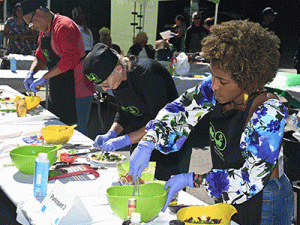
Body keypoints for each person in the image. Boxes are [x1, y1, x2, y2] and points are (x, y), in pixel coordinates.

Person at [129, 20, 294, 225]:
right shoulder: (214, 89)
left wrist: (192, 179)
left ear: (247, 80)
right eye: (212, 76)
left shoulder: (269, 113)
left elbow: (251, 179)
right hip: (226, 189)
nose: (214, 86)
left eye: (223, 81)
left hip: (264, 198)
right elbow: (179, 111)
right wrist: (148, 141)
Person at [83, 43, 193, 181]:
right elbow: (124, 112)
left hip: (170, 142)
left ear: (118, 69)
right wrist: (111, 133)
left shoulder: (148, 75)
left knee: (162, 189)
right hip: (141, 138)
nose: (104, 89)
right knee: (137, 183)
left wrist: (124, 140)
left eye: (105, 84)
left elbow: (160, 123)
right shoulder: (118, 78)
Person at [21, 0, 95, 136]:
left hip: (77, 87)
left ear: (39, 13)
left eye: (30, 23)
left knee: (77, 132)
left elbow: (70, 60)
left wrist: (44, 78)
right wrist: (31, 72)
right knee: (59, 129)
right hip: (59, 86)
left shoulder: (63, 26)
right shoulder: (43, 31)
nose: (31, 28)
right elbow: (40, 56)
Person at [1, 3, 37, 69]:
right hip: (12, 48)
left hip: (25, 49)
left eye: (21, 10)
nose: (19, 12)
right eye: (18, 10)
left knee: (25, 68)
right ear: (15, 11)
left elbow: (34, 36)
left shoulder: (28, 21)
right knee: (9, 67)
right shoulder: (10, 21)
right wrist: (13, 36)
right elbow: (4, 34)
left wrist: (25, 37)